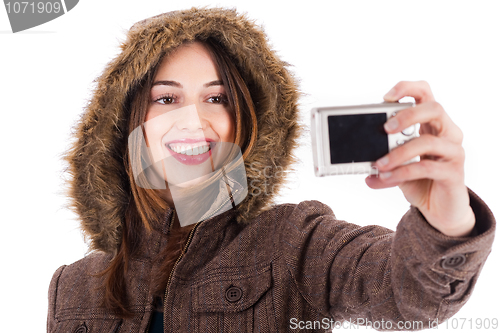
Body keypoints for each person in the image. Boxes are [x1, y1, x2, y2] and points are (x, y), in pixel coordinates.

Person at [47, 7, 495, 333]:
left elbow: (410, 299)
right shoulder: (72, 287)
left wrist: (446, 220)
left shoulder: (296, 242)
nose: (192, 121)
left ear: (244, 122)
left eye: (216, 99)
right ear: (130, 124)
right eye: (166, 99)